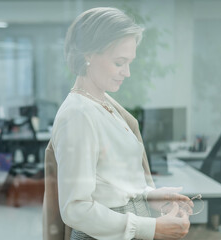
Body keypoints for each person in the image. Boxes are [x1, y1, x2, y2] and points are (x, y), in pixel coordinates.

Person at [43, 7, 192, 240]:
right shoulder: (78, 116)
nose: (127, 72)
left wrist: (148, 196)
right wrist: (151, 228)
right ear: (88, 55)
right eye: (119, 62)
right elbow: (75, 209)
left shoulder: (104, 104)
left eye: (129, 62)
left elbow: (111, 183)